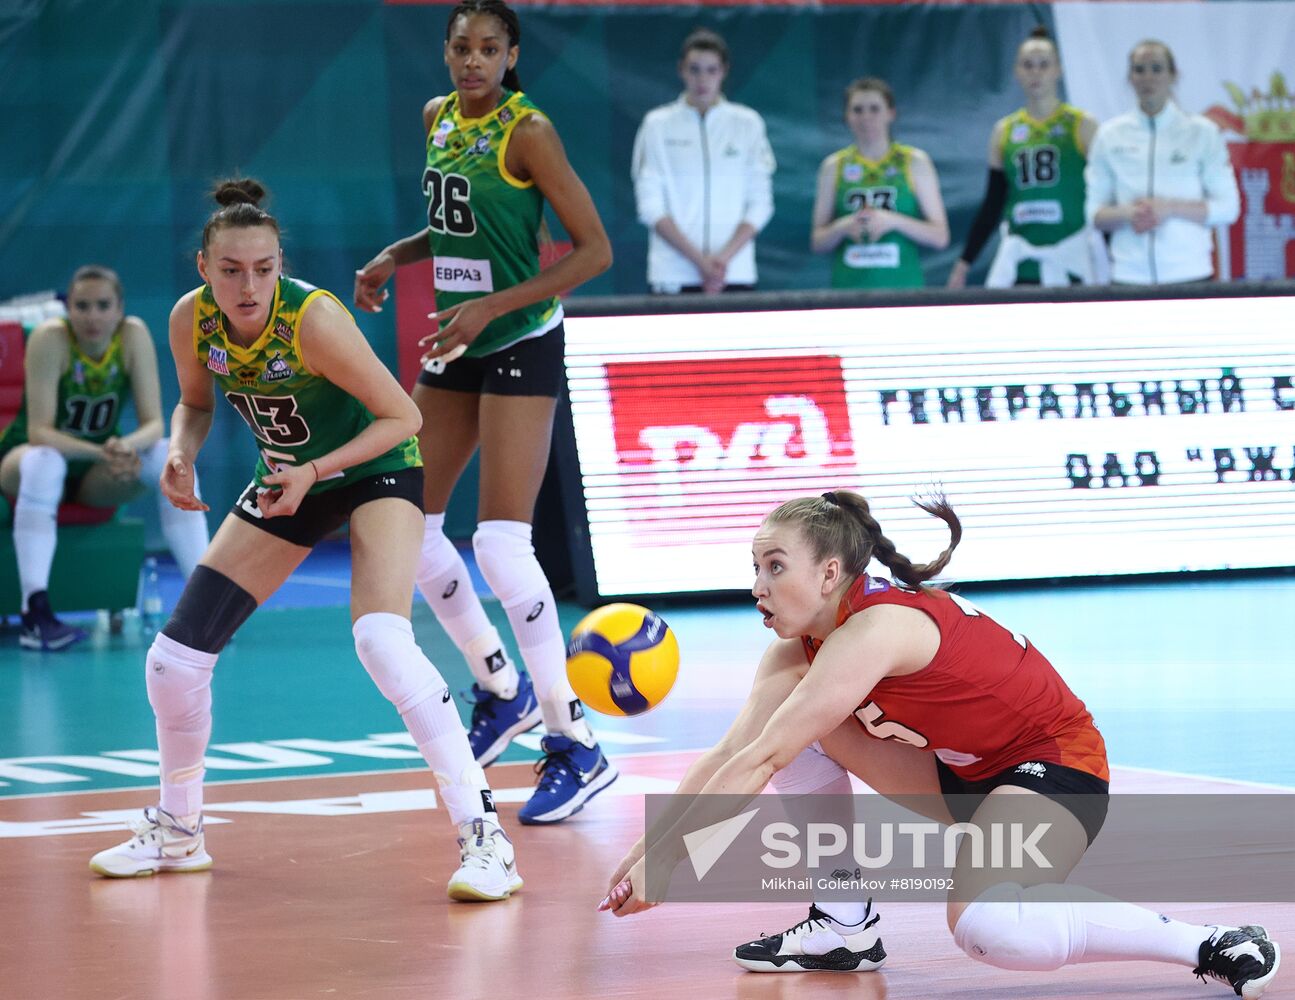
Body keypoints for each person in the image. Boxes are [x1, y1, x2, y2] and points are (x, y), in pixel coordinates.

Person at [600, 491, 1280, 997]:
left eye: (775, 567)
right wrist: (644, 855)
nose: (757, 586)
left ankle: (1214, 942)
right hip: (964, 777)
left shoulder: (877, 629)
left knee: (991, 927)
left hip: (1055, 771)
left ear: (831, 573)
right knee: (799, 730)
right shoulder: (797, 651)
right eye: (753, 566)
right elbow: (732, 754)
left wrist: (671, 866)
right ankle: (842, 926)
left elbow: (761, 762)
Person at [88, 179, 521, 902]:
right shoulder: (190, 320)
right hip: (287, 480)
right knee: (173, 661)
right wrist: (179, 449)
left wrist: (317, 470)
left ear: (279, 263)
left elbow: (401, 419)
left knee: (382, 640)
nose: (248, 284)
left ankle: (485, 840)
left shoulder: (314, 319)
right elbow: (195, 404)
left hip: (373, 471)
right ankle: (178, 831)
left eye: (263, 268)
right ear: (205, 268)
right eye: (231, 270)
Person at [354, 0, 616, 826]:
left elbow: (592, 250)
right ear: (445, 53)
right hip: (456, 338)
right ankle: (500, 687)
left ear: (510, 55)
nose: (473, 60)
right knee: (414, 527)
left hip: (519, 339)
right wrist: (399, 255)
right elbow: (458, 226)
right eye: (461, 47)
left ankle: (576, 742)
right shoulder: (437, 117)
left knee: (501, 541)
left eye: (488, 49)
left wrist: (494, 306)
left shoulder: (528, 130)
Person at [0, 265, 210, 651]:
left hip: (94, 471)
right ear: (69, 311)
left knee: (169, 455)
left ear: (119, 309)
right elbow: (39, 432)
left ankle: (205, 607)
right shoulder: (51, 339)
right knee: (44, 462)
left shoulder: (132, 336)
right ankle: (36, 613)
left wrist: (126, 448)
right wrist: (106, 450)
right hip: (24, 462)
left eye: (102, 306)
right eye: (82, 306)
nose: (92, 316)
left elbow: (153, 423)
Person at [947, 28, 1100, 289]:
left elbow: (1105, 191)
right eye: (1028, 65)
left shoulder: (1082, 125)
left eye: (1044, 64)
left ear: (1058, 70)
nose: (1036, 72)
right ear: (1017, 71)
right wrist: (965, 261)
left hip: (1073, 259)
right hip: (1023, 263)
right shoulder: (1004, 131)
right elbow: (993, 203)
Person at [631, 28, 776, 294]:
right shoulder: (657, 125)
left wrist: (721, 261)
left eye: (711, 70)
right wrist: (699, 261)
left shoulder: (748, 124)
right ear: (681, 70)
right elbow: (650, 205)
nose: (702, 79)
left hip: (734, 273)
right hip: (673, 274)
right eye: (694, 69)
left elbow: (761, 203)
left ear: (724, 71)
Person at [1085, 40, 1241, 285]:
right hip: (1128, 278)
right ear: (1130, 77)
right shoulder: (1109, 135)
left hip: (1191, 276)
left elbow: (1228, 208)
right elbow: (1093, 214)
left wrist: (1169, 209)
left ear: (1173, 75)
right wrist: (1129, 213)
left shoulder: (1202, 133)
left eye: (1156, 68)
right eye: (1139, 69)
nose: (1148, 77)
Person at [811, 77, 949, 289]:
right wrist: (843, 226)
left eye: (874, 109)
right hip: (847, 294)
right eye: (857, 110)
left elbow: (940, 237)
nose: (866, 117)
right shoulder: (833, 166)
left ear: (890, 113)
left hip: (903, 292)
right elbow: (818, 242)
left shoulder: (914, 162)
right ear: (847, 116)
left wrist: (892, 221)